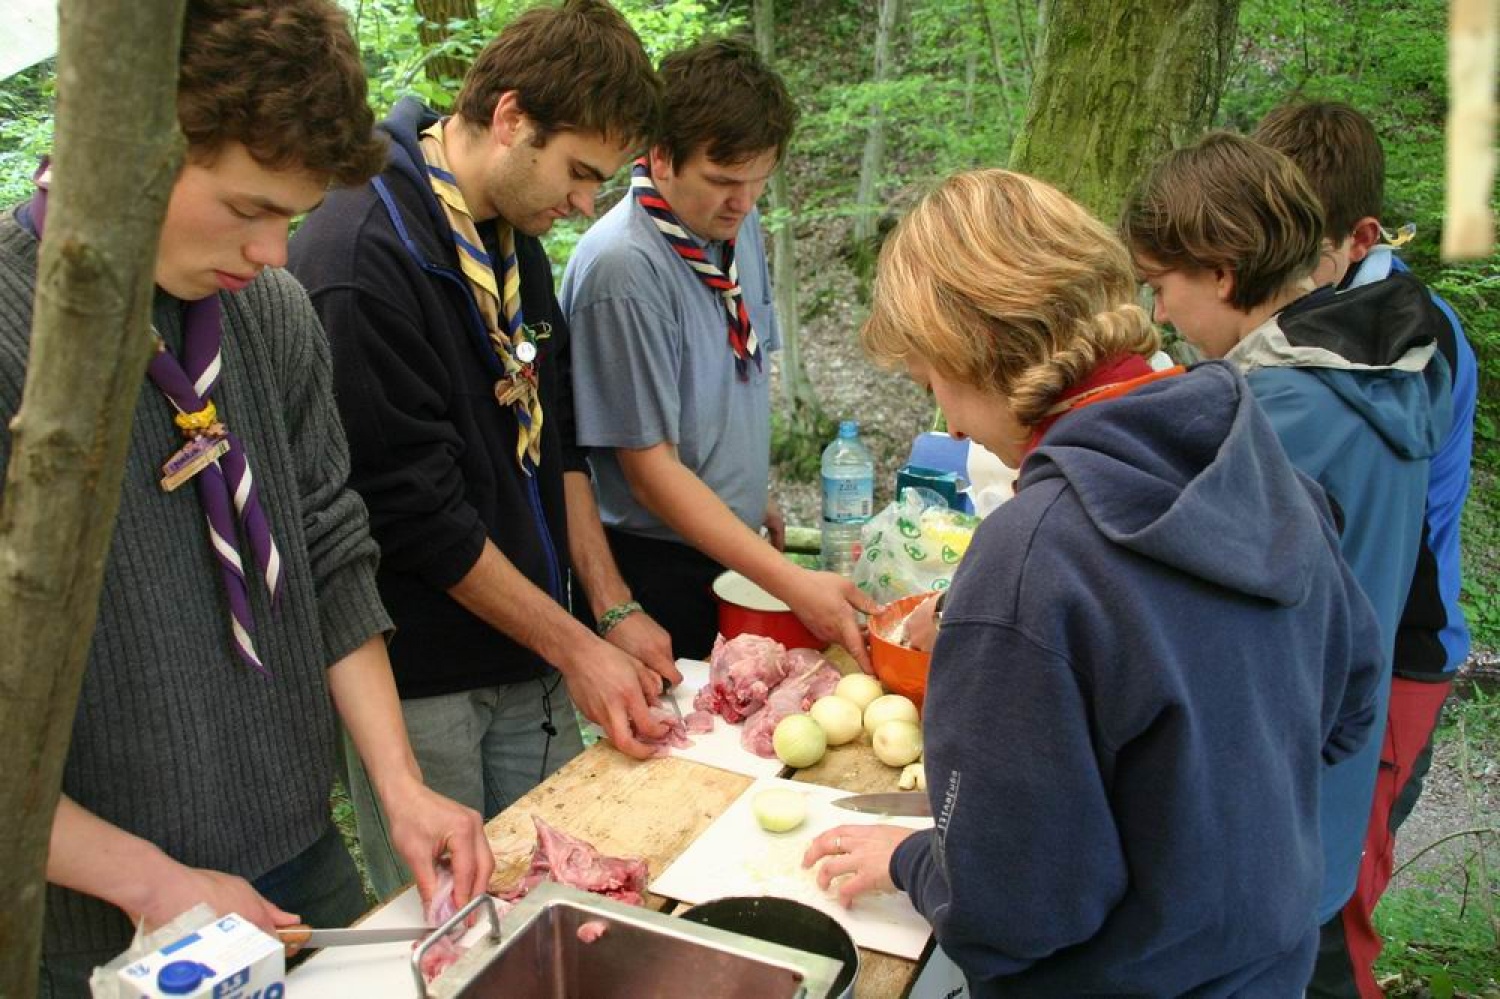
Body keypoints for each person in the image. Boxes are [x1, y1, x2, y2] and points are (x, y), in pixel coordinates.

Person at [0, 2, 494, 995]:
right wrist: (149, 883)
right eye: (246, 208)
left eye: (292, 217)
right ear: (134, 153)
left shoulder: (265, 319)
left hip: (298, 856)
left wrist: (401, 787)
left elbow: (328, 553)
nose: (273, 253)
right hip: (91, 920)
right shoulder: (17, 342)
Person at [803, 168, 1382, 996]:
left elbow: (1014, 911)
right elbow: (1349, 701)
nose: (950, 420)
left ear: (975, 351)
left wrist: (914, 858)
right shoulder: (1256, 463)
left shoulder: (1031, 560)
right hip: (1265, 964)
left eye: (932, 380)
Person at [287, 0, 677, 902]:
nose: (585, 205)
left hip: (533, 651)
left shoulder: (511, 227)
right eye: (580, 173)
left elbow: (559, 440)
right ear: (511, 119)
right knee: (453, 923)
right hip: (425, 679)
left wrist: (608, 612)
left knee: (563, 896)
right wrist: (580, 647)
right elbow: (415, 514)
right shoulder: (362, 255)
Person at [1120, 132, 1454, 993]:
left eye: (1162, 285)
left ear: (1223, 273)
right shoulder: (1381, 368)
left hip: (1257, 820)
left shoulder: (1272, 413)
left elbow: (1183, 621)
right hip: (1329, 794)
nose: (1159, 314)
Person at [1254, 100, 1478, 999]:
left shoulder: (1410, 339)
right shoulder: (1322, 324)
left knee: (1332, 925)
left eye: (1295, 252)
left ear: (1360, 237)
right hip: (1329, 660)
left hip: (1393, 659)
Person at [560, 37, 875, 666]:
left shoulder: (734, 225)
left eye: (760, 181)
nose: (745, 201)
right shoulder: (624, 270)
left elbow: (737, 373)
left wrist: (749, 491)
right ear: (660, 156)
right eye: (725, 180)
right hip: (656, 564)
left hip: (727, 541)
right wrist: (789, 581)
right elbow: (650, 474)